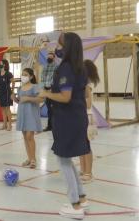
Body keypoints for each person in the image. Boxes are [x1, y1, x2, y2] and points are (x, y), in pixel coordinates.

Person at [38, 32, 89, 219]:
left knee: (63, 160)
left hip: (67, 119)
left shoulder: (66, 68)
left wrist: (46, 94)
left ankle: (75, 205)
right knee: (67, 159)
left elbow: (65, 97)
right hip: (77, 117)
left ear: (66, 48)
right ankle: (81, 197)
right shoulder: (79, 67)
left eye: (59, 45)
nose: (56, 48)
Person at [13, 68, 43, 169]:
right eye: (22, 74)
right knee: (25, 137)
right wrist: (15, 99)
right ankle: (29, 158)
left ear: (31, 76)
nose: (23, 76)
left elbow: (41, 99)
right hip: (22, 114)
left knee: (30, 136)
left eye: (25, 75)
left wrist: (29, 98)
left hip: (31, 114)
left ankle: (34, 159)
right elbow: (20, 101)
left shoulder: (35, 87)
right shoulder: (20, 88)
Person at [80, 59, 100, 184]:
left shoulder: (87, 85)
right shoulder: (82, 84)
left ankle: (89, 172)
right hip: (81, 116)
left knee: (86, 146)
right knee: (81, 146)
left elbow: (88, 104)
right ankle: (83, 170)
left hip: (86, 117)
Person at [40, 52, 58, 131]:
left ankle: (56, 126)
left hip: (53, 90)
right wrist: (44, 88)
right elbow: (42, 78)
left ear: (54, 58)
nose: (49, 58)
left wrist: (52, 88)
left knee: (55, 108)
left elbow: (57, 79)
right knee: (49, 109)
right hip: (46, 90)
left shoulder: (57, 67)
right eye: (48, 57)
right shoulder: (45, 67)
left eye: (50, 57)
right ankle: (49, 126)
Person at [0, 59, 14, 131]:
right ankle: (4, 124)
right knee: (2, 109)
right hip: (1, 92)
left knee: (7, 109)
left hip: (7, 92)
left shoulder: (8, 73)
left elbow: (13, 82)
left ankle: (10, 125)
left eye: (0, 63)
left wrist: (12, 92)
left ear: (4, 64)